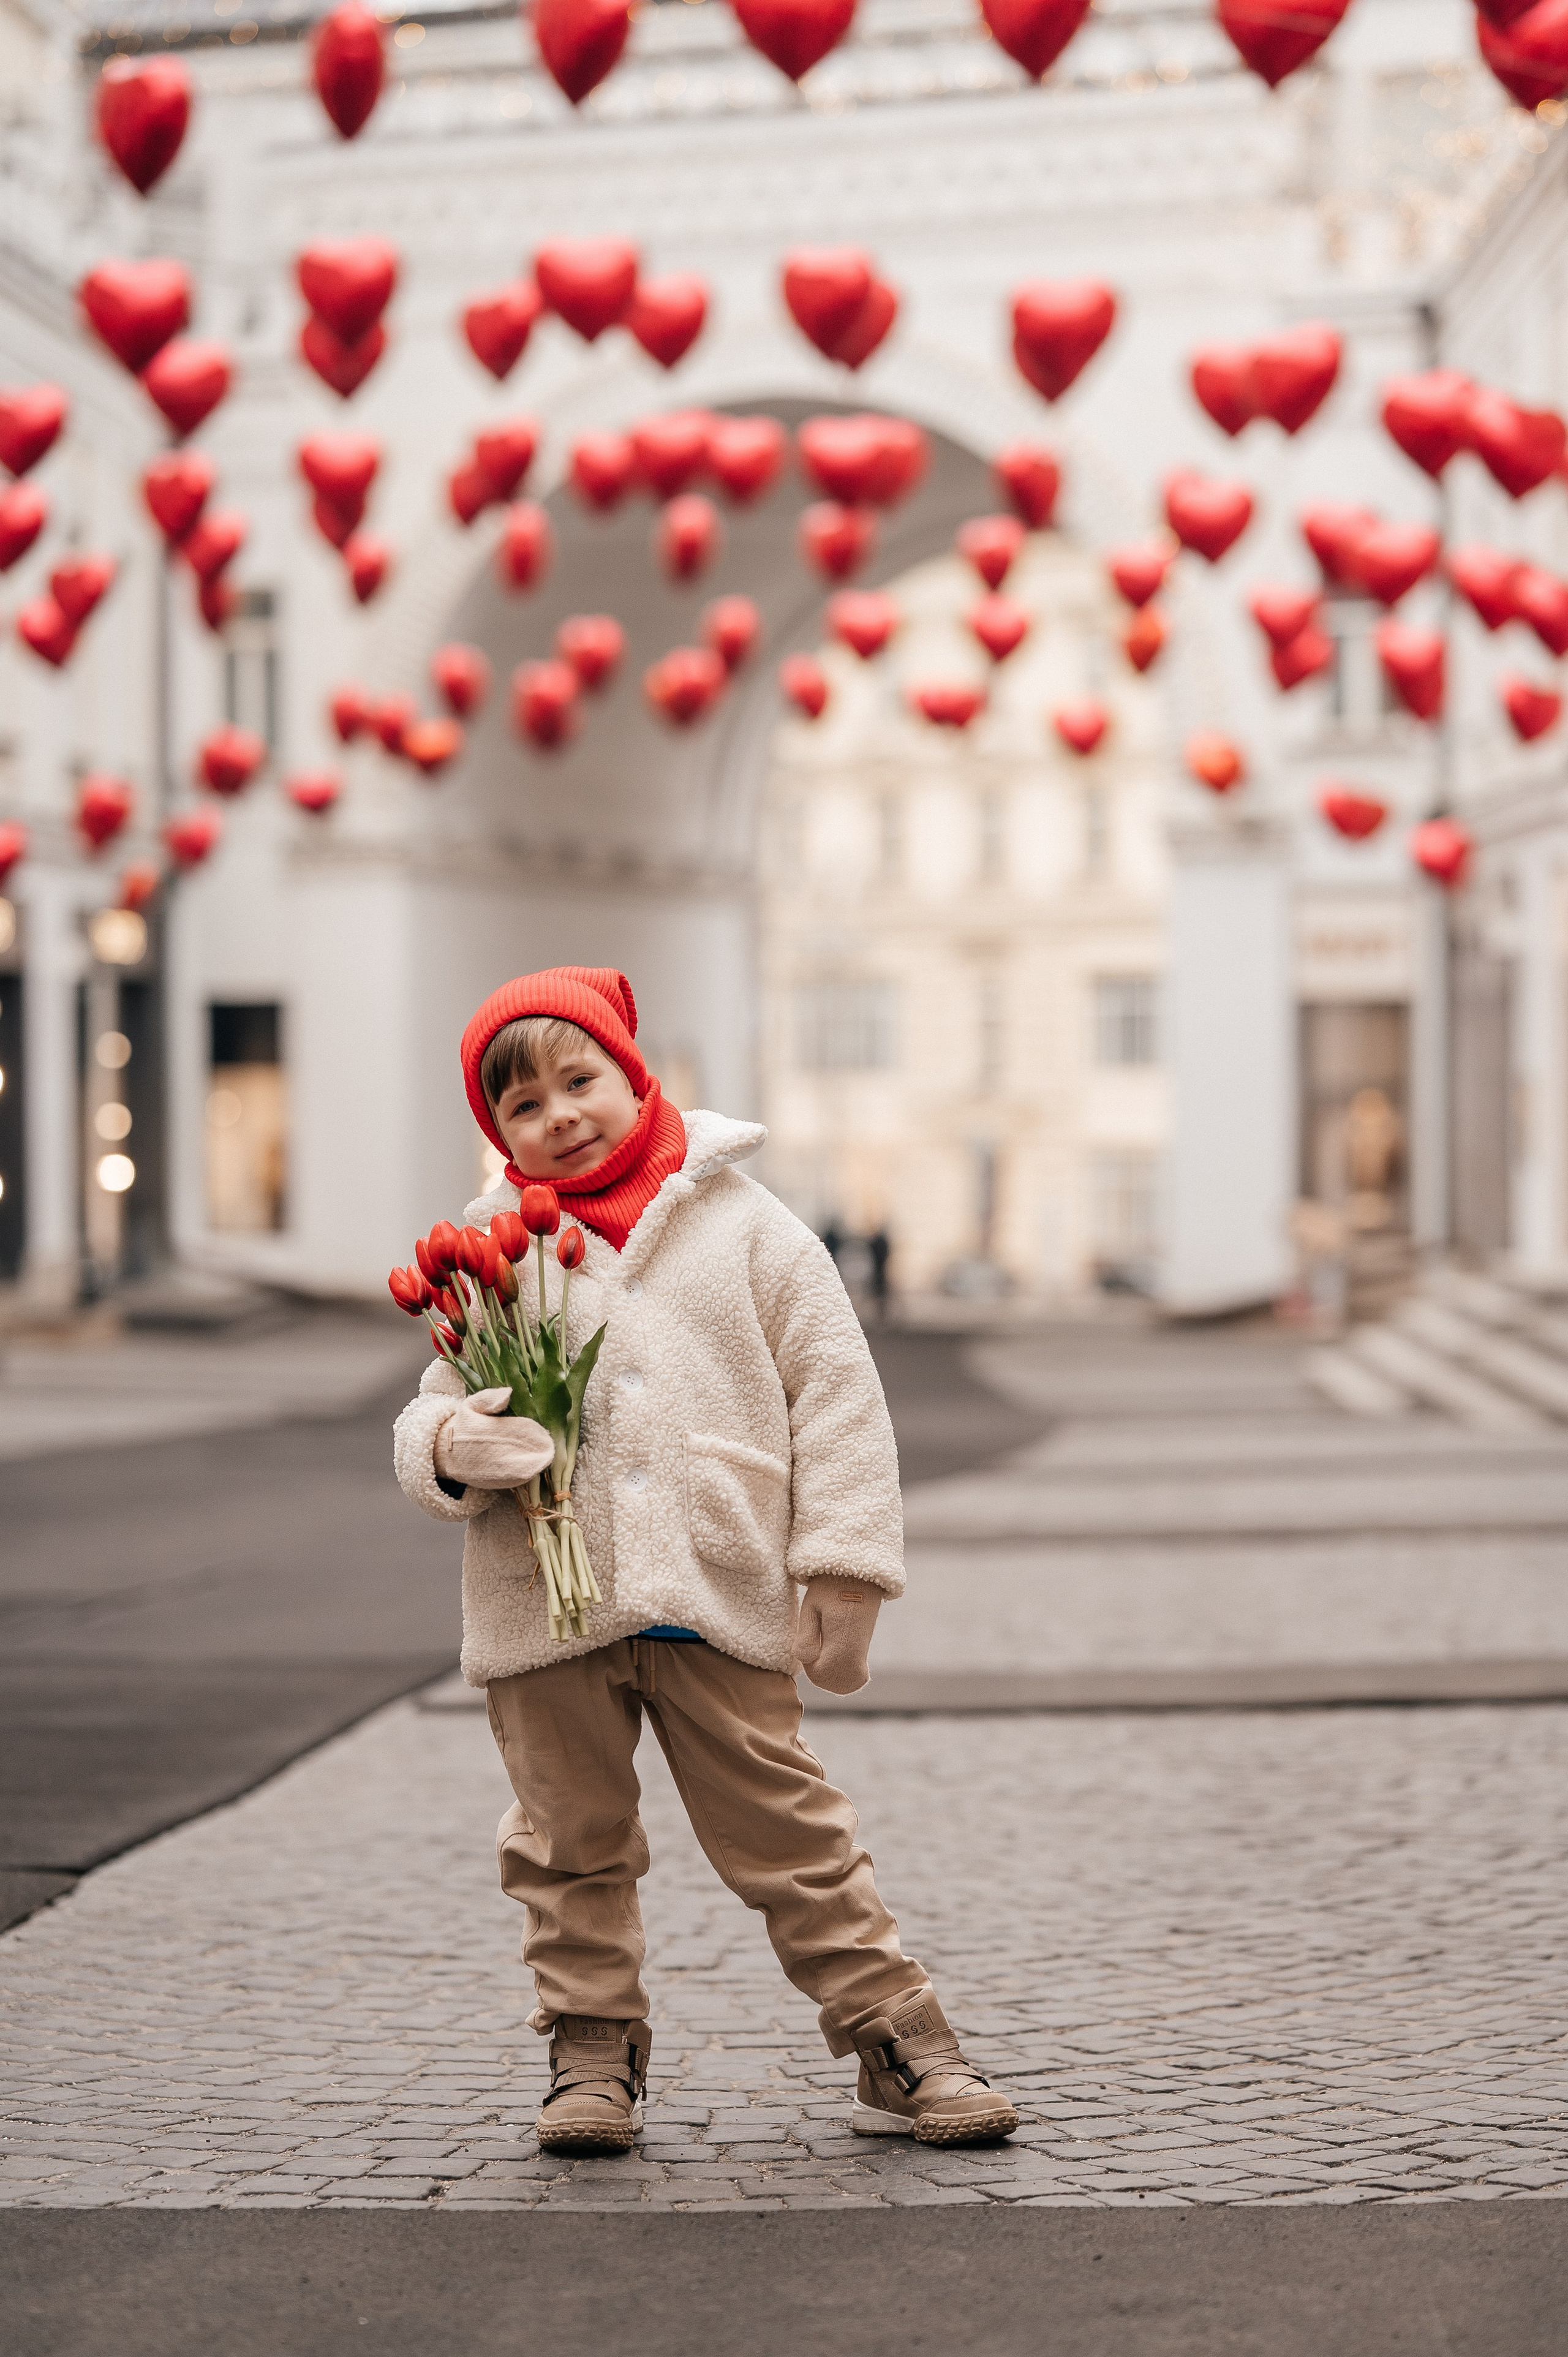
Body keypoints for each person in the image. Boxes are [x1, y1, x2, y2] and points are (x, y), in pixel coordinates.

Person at [393, 965, 1018, 2157]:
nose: (560, 1116)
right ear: (497, 1133)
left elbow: (837, 1398)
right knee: (565, 1840)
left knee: (790, 1833)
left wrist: (840, 1566)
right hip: (545, 1603)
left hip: (713, 1592)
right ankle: (589, 2052)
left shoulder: (746, 1224)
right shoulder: (486, 1249)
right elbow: (430, 1401)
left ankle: (899, 2038)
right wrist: (452, 1444)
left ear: (634, 1076)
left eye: (580, 1081)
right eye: (524, 1107)